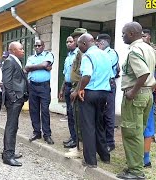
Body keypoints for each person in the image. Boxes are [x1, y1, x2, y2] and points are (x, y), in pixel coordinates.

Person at [117, 22, 156, 179]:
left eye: (124, 33)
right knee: (138, 132)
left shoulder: (135, 50)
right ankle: (134, 165)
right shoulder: (149, 48)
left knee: (132, 133)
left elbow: (143, 73)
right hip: (146, 95)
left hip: (136, 96)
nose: (122, 36)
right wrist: (152, 86)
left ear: (131, 34)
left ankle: (136, 172)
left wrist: (133, 91)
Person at [77, 33, 112, 168]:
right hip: (104, 93)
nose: (79, 47)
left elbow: (86, 75)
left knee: (88, 126)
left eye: (79, 44)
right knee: (99, 125)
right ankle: (105, 156)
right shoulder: (105, 55)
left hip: (90, 94)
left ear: (84, 43)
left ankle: (90, 160)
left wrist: (79, 89)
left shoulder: (88, 56)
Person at [2, 41, 29, 166]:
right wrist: (13, 98)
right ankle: (8, 155)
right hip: (14, 100)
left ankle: (9, 151)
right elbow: (7, 82)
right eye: (21, 49)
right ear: (13, 50)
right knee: (11, 127)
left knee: (13, 126)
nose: (23, 51)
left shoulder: (16, 60)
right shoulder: (9, 61)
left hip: (18, 98)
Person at [25, 40, 54, 145]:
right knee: (34, 110)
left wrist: (34, 67)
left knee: (45, 110)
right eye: (35, 45)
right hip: (32, 86)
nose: (37, 47)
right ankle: (37, 132)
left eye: (39, 45)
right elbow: (27, 68)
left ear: (43, 46)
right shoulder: (30, 57)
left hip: (44, 87)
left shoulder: (49, 54)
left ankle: (47, 134)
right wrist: (42, 66)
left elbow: (44, 65)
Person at [64, 28, 87, 159]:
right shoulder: (76, 52)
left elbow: (84, 74)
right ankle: (76, 142)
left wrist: (77, 90)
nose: (76, 39)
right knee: (72, 116)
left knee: (79, 119)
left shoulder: (83, 52)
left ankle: (80, 148)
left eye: (78, 37)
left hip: (79, 89)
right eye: (75, 37)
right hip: (72, 87)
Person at [95, 33, 119, 152]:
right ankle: (101, 140)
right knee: (101, 114)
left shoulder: (112, 53)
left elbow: (102, 65)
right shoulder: (99, 53)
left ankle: (110, 142)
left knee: (109, 114)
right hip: (100, 85)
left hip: (109, 85)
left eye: (98, 43)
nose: (96, 45)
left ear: (103, 43)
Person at [59, 36, 77, 149]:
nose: (68, 43)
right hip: (67, 87)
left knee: (74, 114)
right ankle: (72, 136)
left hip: (75, 87)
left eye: (70, 41)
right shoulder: (68, 57)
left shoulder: (78, 55)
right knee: (69, 114)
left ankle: (76, 139)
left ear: (75, 42)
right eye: (67, 41)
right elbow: (66, 75)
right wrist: (62, 89)